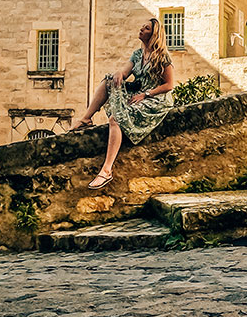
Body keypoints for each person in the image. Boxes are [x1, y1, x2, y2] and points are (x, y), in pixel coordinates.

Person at [71, 18, 175, 189]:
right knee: (108, 81)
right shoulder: (137, 54)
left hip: (156, 98)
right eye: (143, 26)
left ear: (154, 34)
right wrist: (119, 73)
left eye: (146, 28)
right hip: (138, 92)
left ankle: (106, 171)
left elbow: (169, 85)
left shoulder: (162, 56)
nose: (141, 29)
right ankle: (86, 119)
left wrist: (146, 94)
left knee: (115, 119)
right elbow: (125, 72)